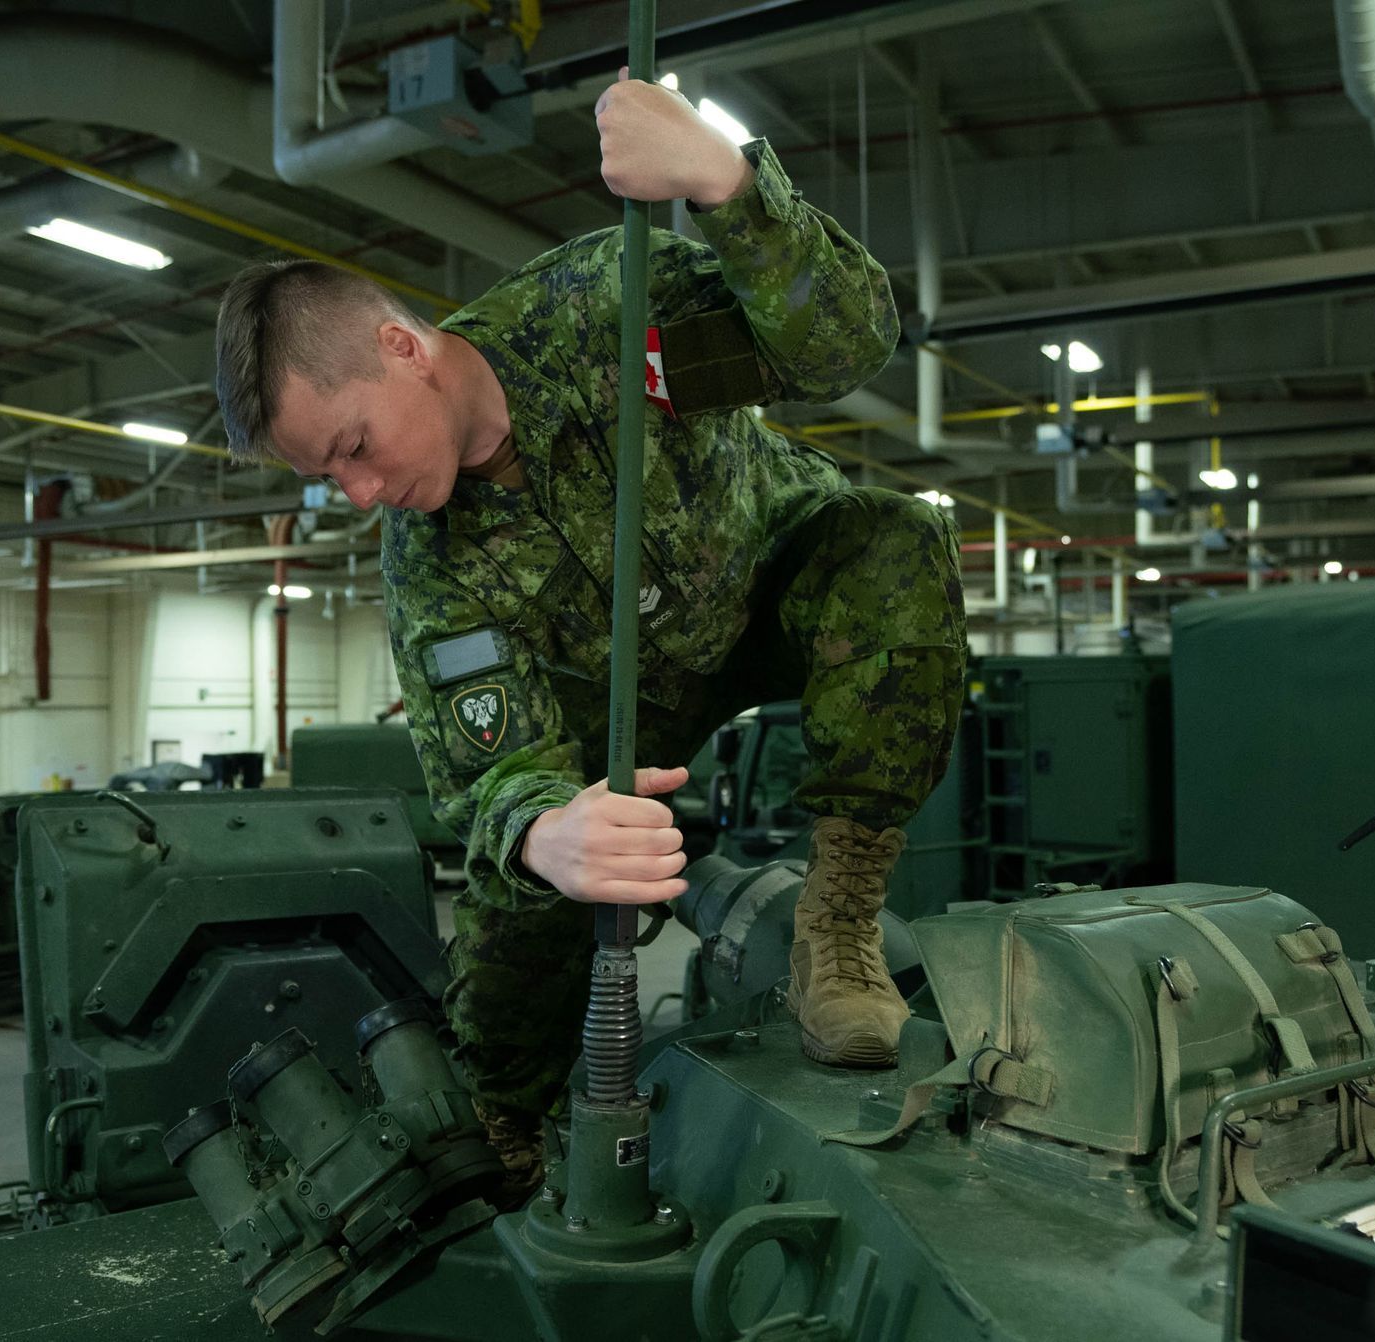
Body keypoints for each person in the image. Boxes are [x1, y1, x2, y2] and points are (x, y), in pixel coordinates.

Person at [214, 72, 967, 1198]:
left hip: (761, 583)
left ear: (401, 346)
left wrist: (724, 181)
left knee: (894, 540)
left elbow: (842, 347)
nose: (359, 492)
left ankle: (836, 928)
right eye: (329, 477)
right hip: (615, 708)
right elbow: (484, 774)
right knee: (525, 879)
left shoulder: (599, 311)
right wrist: (541, 828)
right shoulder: (428, 559)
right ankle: (507, 1137)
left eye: (355, 445)